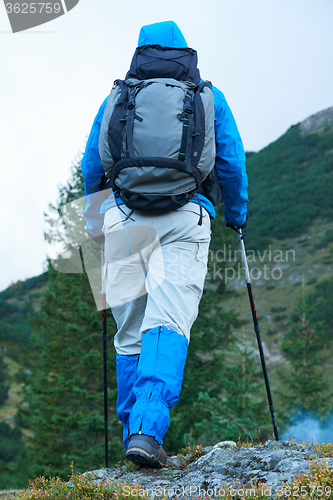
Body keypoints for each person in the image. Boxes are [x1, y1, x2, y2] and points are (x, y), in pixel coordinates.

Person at [81, 20, 248, 468]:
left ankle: (132, 433)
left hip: (124, 218)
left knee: (130, 330)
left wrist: (97, 223)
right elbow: (230, 159)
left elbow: (92, 164)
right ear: (184, 52)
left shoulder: (118, 96)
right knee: (168, 321)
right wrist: (238, 215)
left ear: (140, 52)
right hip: (186, 216)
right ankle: (146, 431)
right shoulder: (208, 97)